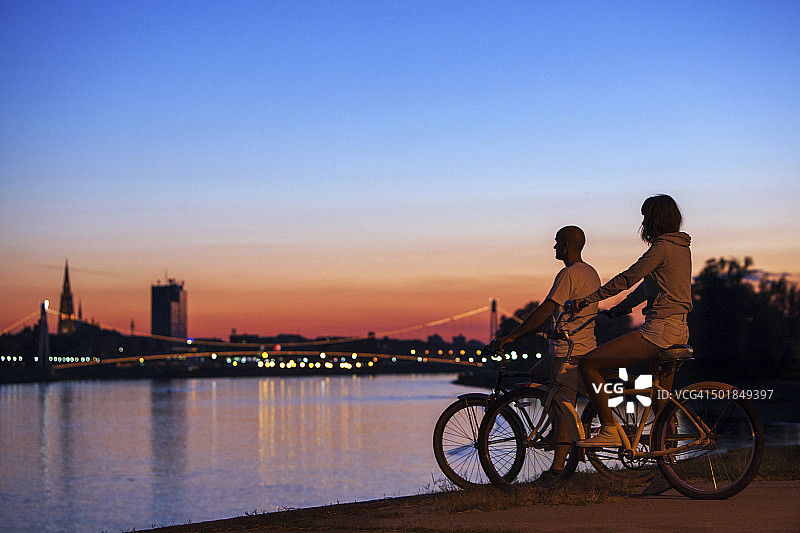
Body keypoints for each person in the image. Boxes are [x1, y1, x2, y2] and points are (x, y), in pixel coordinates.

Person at [567, 194, 692, 450]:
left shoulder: (661, 247)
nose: (643, 223)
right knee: (661, 398)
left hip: (660, 329)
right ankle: (666, 457)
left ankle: (609, 430)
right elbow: (649, 287)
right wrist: (621, 309)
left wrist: (588, 299)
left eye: (646, 217)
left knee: (589, 364)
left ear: (656, 219)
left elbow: (628, 278)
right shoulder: (681, 248)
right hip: (679, 329)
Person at [494, 225, 601, 482]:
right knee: (537, 375)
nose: (554, 246)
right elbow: (570, 313)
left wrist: (512, 336)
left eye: (556, 242)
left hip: (568, 352)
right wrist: (545, 329)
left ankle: (558, 470)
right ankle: (557, 432)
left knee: (564, 409)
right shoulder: (590, 272)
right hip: (579, 346)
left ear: (566, 245)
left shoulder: (568, 274)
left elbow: (545, 309)